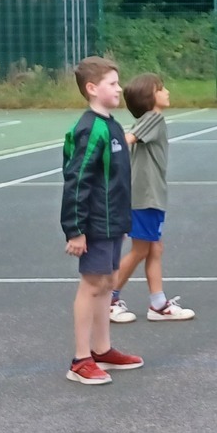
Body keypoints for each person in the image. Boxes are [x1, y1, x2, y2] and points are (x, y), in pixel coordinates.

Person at [61, 57, 147, 388]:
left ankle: (102, 349)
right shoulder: (90, 128)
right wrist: (75, 229)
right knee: (92, 284)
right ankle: (81, 359)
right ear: (93, 89)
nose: (119, 88)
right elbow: (77, 180)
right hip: (95, 223)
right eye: (113, 83)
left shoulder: (111, 125)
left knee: (107, 282)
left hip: (114, 221)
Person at [109, 73, 194, 326]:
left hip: (148, 195)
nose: (166, 91)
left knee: (154, 247)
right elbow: (126, 140)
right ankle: (108, 300)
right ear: (150, 96)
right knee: (141, 250)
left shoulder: (149, 120)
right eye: (161, 88)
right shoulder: (153, 118)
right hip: (145, 196)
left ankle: (158, 304)